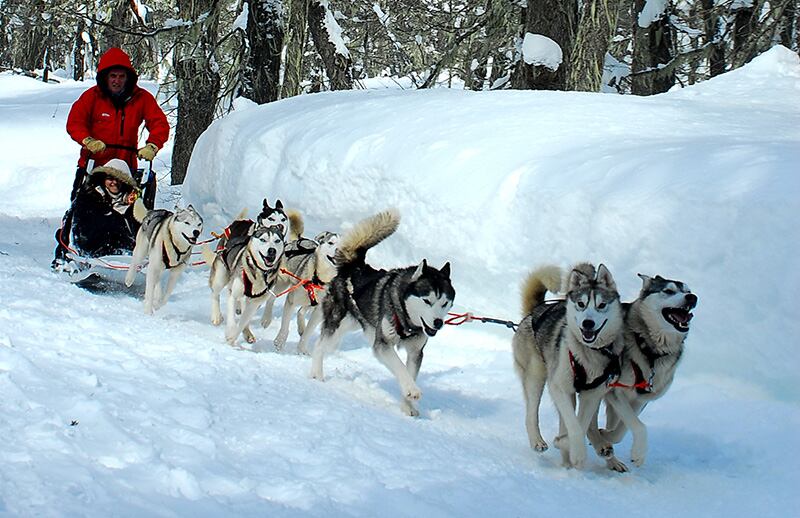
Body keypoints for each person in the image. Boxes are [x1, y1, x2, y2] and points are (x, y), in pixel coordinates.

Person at [53, 47, 168, 268]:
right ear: (105, 77)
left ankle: (127, 247)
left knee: (129, 210)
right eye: (112, 76)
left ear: (129, 77)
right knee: (83, 207)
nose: (116, 81)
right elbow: (75, 122)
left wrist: (153, 144)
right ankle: (70, 248)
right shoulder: (92, 97)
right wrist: (87, 140)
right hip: (94, 166)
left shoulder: (141, 98)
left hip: (126, 168)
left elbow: (159, 123)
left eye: (121, 76)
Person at [69, 159, 146, 258]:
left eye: (118, 179)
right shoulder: (90, 197)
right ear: (103, 179)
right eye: (110, 178)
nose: (114, 182)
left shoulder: (133, 202)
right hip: (95, 247)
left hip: (128, 250)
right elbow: (82, 226)